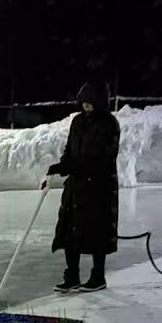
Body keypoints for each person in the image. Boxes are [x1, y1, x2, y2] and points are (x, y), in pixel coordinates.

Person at [43, 81, 121, 293]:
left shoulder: (109, 124)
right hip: (77, 186)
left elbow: (102, 157)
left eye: (90, 104)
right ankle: (72, 276)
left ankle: (98, 276)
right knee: (70, 230)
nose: (86, 108)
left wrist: (75, 167)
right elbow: (70, 151)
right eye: (84, 103)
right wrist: (60, 166)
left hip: (98, 187)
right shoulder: (77, 122)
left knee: (97, 231)